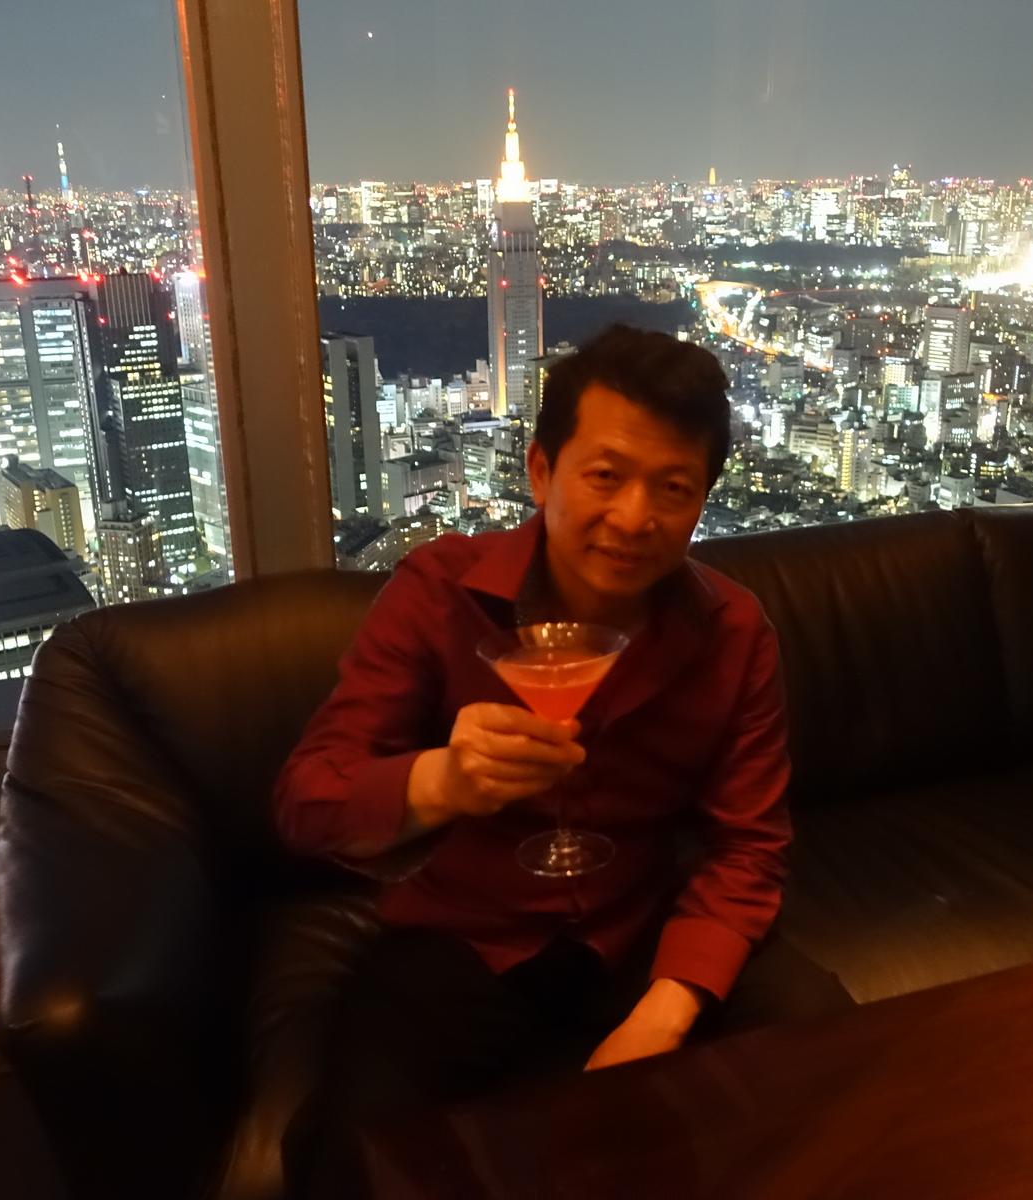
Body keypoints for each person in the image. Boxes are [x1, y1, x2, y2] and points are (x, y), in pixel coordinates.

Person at [274, 324, 851, 1196]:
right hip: (459, 939)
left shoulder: (733, 632)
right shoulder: (438, 594)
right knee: (353, 1155)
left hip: (635, 925)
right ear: (543, 472)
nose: (634, 518)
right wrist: (443, 779)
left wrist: (666, 1010)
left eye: (673, 488)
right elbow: (306, 801)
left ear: (702, 502)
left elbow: (750, 847)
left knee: (823, 1046)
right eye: (606, 476)